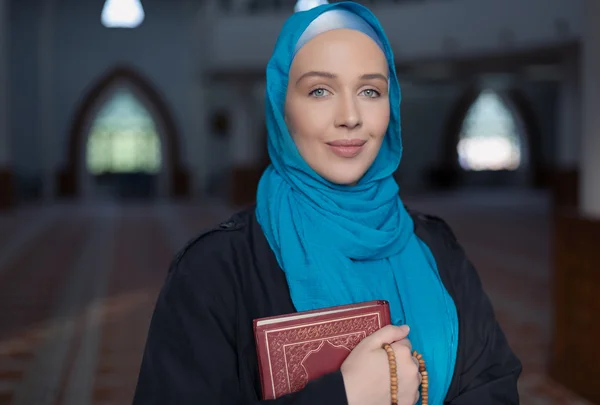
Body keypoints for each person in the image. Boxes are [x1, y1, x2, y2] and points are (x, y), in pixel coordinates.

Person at [131, 1, 522, 404]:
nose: (350, 116)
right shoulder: (214, 270)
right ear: (283, 108)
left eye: (370, 90)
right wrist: (344, 396)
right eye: (320, 90)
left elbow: (493, 384)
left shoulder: (436, 246)